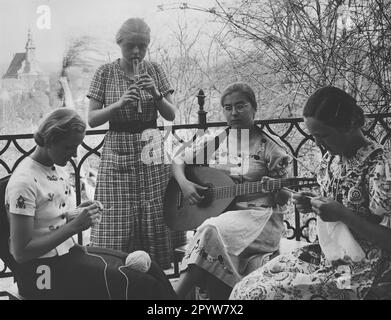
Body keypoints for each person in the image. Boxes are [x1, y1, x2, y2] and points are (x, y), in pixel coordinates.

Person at [230, 86, 391, 300]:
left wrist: (342, 214)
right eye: (313, 136)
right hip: (328, 256)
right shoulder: (331, 161)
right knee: (246, 288)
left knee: (263, 295)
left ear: (349, 125)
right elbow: (335, 210)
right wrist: (311, 203)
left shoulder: (381, 166)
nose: (317, 143)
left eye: (323, 135)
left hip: (362, 270)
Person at [5, 108, 177, 300]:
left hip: (67, 256)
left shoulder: (55, 168)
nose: (74, 155)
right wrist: (74, 227)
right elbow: (20, 253)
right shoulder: (24, 182)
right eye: (68, 147)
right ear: (49, 140)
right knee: (140, 284)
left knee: (150, 267)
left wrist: (76, 214)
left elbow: (46, 219)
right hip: (43, 273)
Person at [172, 82, 291, 299]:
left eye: (240, 106)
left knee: (209, 229)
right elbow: (179, 160)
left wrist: (275, 185)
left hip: (260, 219)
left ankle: (172, 298)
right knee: (212, 228)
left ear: (254, 108)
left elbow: (285, 197)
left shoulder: (271, 149)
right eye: (228, 108)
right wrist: (185, 184)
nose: (233, 113)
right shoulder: (218, 140)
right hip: (225, 215)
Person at [87, 18, 185, 269]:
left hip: (150, 145)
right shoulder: (105, 73)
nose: (136, 52)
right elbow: (92, 119)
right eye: (131, 46)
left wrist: (156, 94)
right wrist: (119, 104)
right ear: (120, 44)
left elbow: (171, 115)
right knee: (117, 214)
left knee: (155, 211)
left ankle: (156, 275)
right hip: (118, 147)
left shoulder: (155, 70)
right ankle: (117, 273)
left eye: (142, 46)